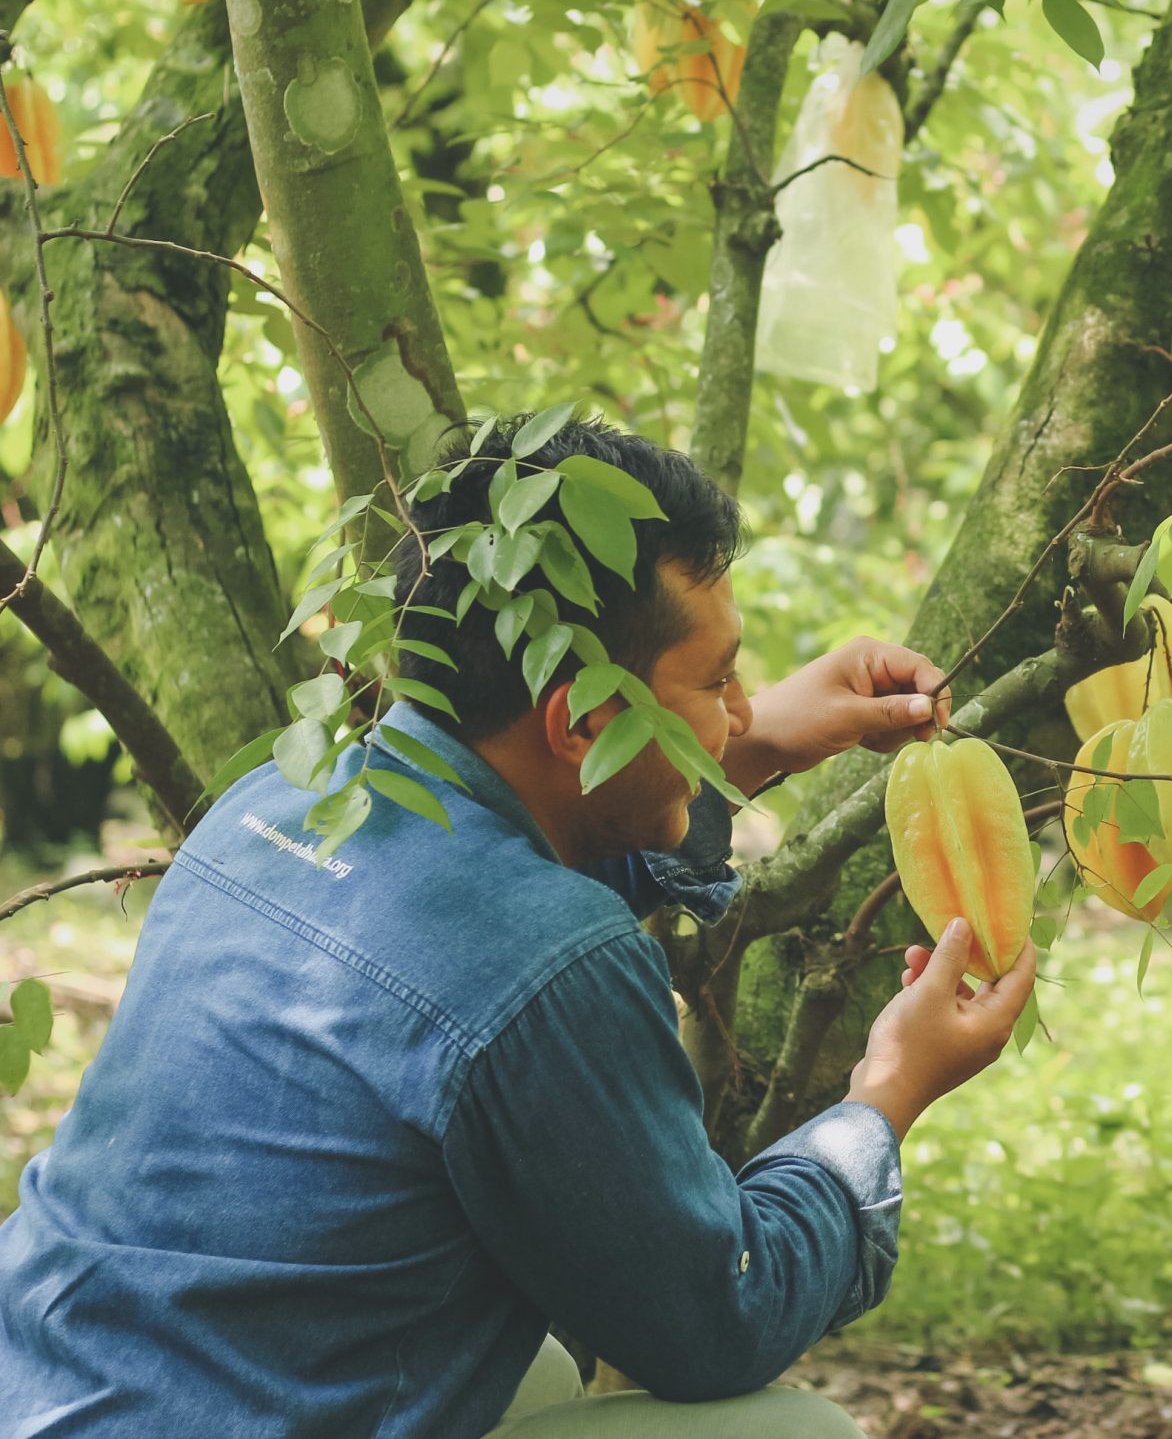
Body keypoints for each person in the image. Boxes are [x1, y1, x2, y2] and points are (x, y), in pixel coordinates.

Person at [0, 418, 1036, 1437]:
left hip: (55, 1381)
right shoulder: (548, 958)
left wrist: (747, 744)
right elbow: (722, 1315)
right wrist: (887, 1092)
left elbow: (500, 889)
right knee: (792, 1431)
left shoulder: (283, 796)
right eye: (718, 683)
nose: (738, 708)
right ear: (583, 720)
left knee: (532, 1369)